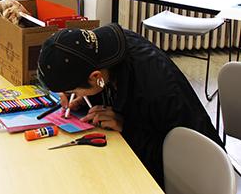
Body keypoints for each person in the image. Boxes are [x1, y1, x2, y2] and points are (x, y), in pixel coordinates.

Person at [37, 23, 222, 188]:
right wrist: (90, 99)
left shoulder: (154, 88)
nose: (72, 98)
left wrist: (127, 127)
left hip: (192, 176)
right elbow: (108, 86)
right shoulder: (105, 49)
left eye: (72, 92)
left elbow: (177, 158)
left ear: (95, 77)